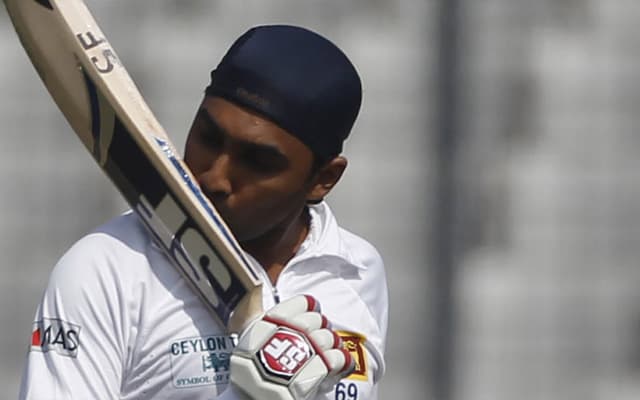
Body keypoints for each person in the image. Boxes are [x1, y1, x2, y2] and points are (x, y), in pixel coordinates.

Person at [19, 24, 388, 400]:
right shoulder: (107, 268)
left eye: (258, 161)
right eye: (208, 138)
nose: (214, 178)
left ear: (323, 179)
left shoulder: (356, 270)